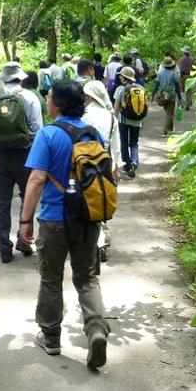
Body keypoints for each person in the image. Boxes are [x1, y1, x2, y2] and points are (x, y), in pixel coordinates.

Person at [19, 79, 111, 370]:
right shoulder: (92, 133)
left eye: (48, 97)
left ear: (57, 103)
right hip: (88, 218)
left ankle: (51, 338)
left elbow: (36, 180)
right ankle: (96, 329)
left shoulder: (48, 135)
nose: (46, 100)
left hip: (54, 219)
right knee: (86, 278)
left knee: (51, 279)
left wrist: (25, 220)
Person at [0, 61, 44, 263]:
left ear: (3, 78)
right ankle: (24, 241)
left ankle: (4, 248)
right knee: (28, 198)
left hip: (1, 154)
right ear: (21, 77)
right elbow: (37, 129)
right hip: (25, 154)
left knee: (2, 202)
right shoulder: (30, 97)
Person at [81, 80, 122, 263]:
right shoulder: (111, 116)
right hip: (106, 162)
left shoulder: (82, 116)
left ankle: (89, 241)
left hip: (85, 162)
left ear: (89, 96)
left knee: (86, 200)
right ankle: (103, 241)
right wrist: (116, 168)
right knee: (102, 200)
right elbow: (116, 145)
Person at [113, 66, 144, 178]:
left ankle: (126, 166)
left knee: (124, 143)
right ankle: (134, 162)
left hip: (124, 120)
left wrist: (113, 120)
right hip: (137, 120)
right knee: (134, 143)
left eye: (121, 75)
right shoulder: (140, 88)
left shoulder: (120, 89)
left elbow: (116, 107)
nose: (120, 77)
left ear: (123, 77)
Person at [151, 57, 183, 136]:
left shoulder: (160, 73)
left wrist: (152, 95)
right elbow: (177, 87)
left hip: (162, 95)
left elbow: (156, 85)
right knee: (168, 113)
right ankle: (164, 131)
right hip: (171, 95)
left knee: (168, 112)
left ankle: (171, 128)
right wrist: (179, 97)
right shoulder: (174, 74)